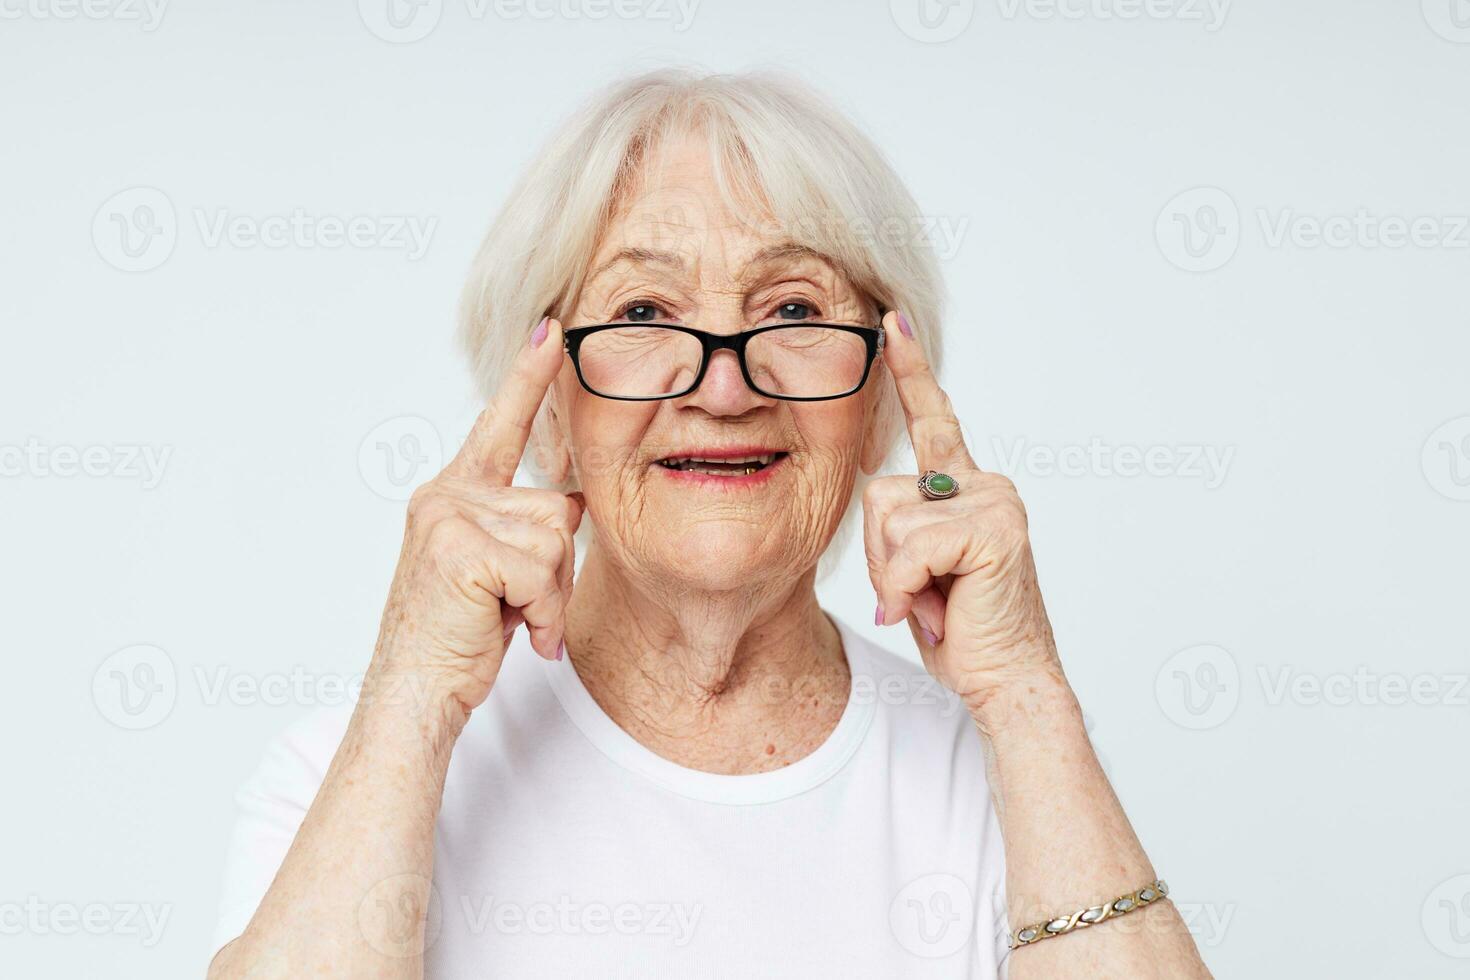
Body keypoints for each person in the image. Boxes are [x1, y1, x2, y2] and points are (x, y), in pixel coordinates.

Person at [207, 69, 1212, 979]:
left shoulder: (1003, 780)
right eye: (644, 313)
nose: (725, 385)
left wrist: (1029, 694)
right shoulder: (350, 769)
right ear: (550, 400)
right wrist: (414, 688)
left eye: (791, 311)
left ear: (880, 399)